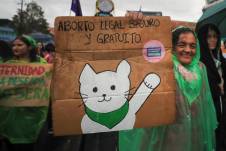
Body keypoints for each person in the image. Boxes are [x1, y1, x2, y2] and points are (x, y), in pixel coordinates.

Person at [119, 15, 217, 150]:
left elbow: (205, 107)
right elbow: (135, 58)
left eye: (192, 46)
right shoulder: (161, 66)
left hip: (194, 136)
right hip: (167, 136)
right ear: (172, 46)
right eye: (182, 45)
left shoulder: (200, 69)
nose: (188, 50)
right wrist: (134, 25)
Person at [0, 35, 49, 151]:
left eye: (19, 45)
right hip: (8, 115)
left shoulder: (41, 64)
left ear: (30, 47)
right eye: (13, 45)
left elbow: (45, 85)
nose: (15, 48)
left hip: (30, 115)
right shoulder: (6, 64)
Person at [197, 24, 226, 151]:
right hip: (210, 109)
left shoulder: (219, 57)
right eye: (209, 37)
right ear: (203, 38)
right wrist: (218, 87)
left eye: (215, 36)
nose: (213, 40)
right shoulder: (199, 61)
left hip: (222, 107)